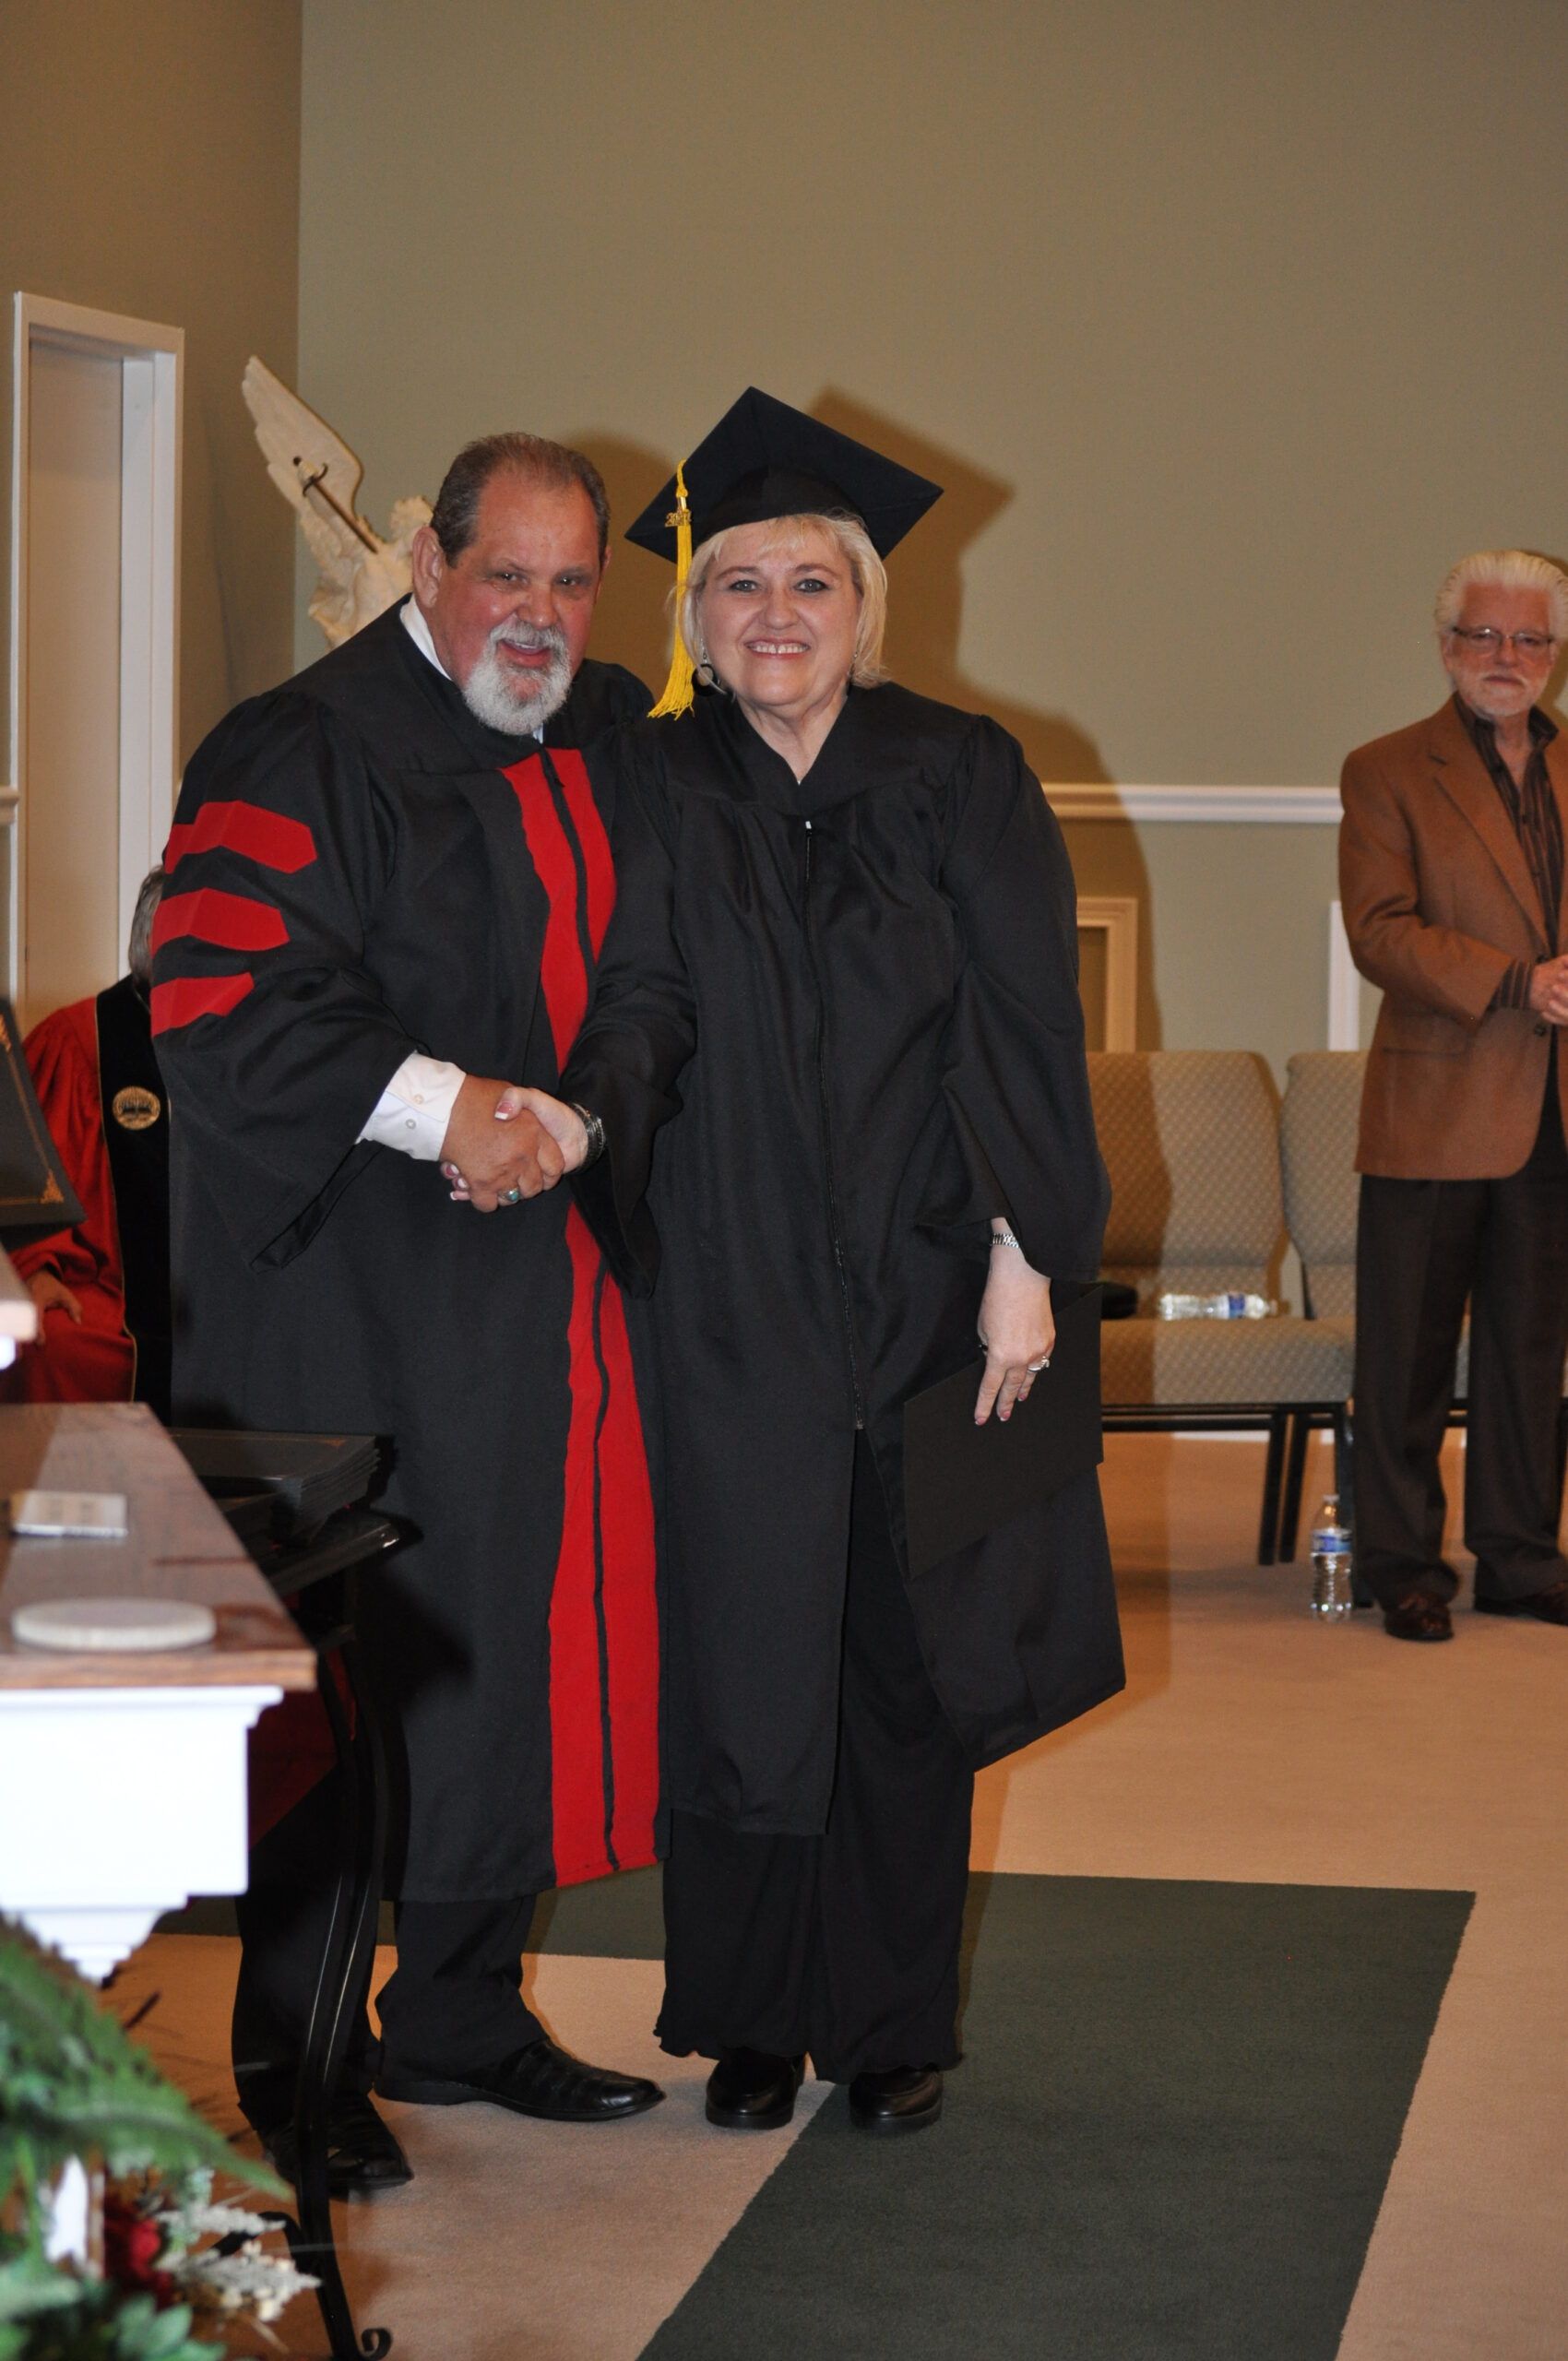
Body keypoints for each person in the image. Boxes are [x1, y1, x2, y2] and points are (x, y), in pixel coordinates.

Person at [459, 390, 1124, 2136]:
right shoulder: (659, 782)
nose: (773, 614)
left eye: (809, 585)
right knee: (738, 1652)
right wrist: (585, 1130)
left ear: (861, 607)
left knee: (901, 1659)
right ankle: (750, 2016)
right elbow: (644, 1002)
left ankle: (892, 2022)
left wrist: (1024, 1257)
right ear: (694, 620)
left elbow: (1020, 1030)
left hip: (927, 1284)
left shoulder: (962, 772)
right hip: (730, 1287)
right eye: (738, 585)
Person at [152, 432, 665, 2194]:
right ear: (431, 567)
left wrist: (574, 1118)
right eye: (504, 575)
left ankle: (455, 2013)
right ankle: (297, 2068)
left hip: (531, 1289)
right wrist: (452, 1107)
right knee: (356, 1676)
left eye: (571, 582)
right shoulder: (301, 746)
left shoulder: (602, 738)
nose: (536, 616)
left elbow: (658, 971)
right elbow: (216, 997)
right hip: (343, 1298)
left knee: (502, 1653)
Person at [1339, 548, 1568, 1643]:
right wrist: (1519, 982)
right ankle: (1400, 1564)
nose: (1506, 657)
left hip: (1553, 1114)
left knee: (1530, 1351)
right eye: (1484, 635)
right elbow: (1377, 931)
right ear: (1444, 647)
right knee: (1406, 1354)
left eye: (1529, 639)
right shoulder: (1385, 768)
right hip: (1433, 1106)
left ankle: (1519, 1560)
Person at [3, 869, 172, 1421]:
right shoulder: (80, 1042)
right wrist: (37, 1268)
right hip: (113, 1290)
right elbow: (29, 1179)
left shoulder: (241, 1041)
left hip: (230, 1287)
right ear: (153, 944)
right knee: (58, 1344)